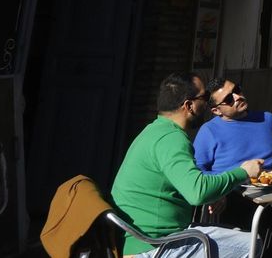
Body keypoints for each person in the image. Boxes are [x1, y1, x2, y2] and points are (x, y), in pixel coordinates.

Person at [111, 73, 263, 258]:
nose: (207, 104)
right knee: (252, 244)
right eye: (205, 97)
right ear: (188, 105)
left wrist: (215, 193)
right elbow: (197, 192)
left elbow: (187, 181)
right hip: (153, 246)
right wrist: (243, 172)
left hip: (141, 240)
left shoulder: (154, 131)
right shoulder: (172, 139)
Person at [194, 78, 272, 258]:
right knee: (250, 218)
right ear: (216, 110)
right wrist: (217, 191)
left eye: (237, 90)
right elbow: (198, 168)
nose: (237, 97)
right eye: (229, 99)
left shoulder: (267, 119)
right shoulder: (209, 131)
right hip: (234, 193)